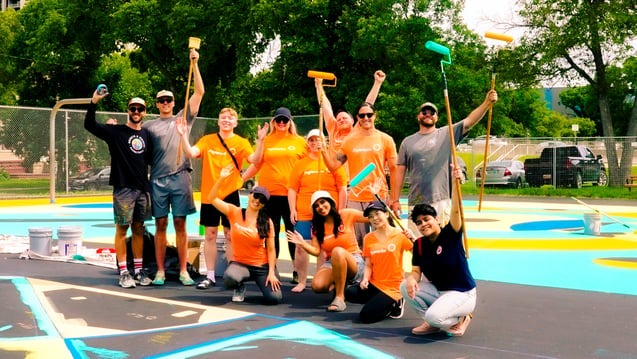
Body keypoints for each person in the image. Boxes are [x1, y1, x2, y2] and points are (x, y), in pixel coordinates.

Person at [177, 107, 268, 289]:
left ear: (235, 123)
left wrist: (261, 141)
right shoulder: (208, 140)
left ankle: (232, 273)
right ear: (218, 121)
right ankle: (210, 276)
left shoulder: (241, 142)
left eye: (230, 118)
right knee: (210, 235)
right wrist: (183, 135)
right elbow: (191, 153)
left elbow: (255, 159)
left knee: (230, 236)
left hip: (230, 195)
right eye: (223, 118)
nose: (226, 120)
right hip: (210, 196)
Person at [389, 90, 498, 227]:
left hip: (440, 200)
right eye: (424, 112)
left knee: (441, 243)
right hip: (416, 201)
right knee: (418, 244)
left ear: (436, 118)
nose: (428, 114)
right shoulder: (407, 142)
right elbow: (399, 171)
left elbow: (470, 121)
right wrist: (395, 199)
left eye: (432, 112)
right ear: (418, 116)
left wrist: (486, 103)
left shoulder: (447, 133)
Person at [143, 48, 205, 286]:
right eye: (161, 101)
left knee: (180, 223)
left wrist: (195, 63)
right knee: (160, 224)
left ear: (174, 103)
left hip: (180, 177)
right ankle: (159, 271)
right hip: (157, 180)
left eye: (169, 100)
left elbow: (200, 91)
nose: (166, 103)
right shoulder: (149, 126)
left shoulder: (183, 118)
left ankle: (182, 270)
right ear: (157, 104)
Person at [84, 90, 153, 288]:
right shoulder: (115, 132)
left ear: (144, 112)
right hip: (123, 188)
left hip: (142, 190)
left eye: (140, 109)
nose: (136, 111)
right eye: (133, 108)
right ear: (128, 110)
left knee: (139, 229)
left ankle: (138, 270)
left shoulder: (147, 134)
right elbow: (89, 125)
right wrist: (94, 101)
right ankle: (123, 271)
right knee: (122, 229)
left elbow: (149, 160)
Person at [400, 164, 476, 337]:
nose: (423, 224)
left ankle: (461, 318)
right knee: (405, 286)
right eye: (418, 223)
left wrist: (456, 183)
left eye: (426, 219)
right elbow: (415, 271)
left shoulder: (450, 234)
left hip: (462, 293)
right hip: (440, 292)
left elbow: (456, 210)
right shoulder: (419, 244)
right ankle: (432, 323)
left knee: (434, 316)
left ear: (436, 219)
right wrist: (412, 280)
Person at [322, 102, 398, 246]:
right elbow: (333, 166)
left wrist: (394, 198)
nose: (366, 118)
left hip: (378, 195)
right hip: (355, 198)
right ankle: (362, 268)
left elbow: (394, 170)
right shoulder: (349, 141)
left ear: (374, 116)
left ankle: (385, 268)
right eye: (362, 115)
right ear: (358, 118)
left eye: (369, 115)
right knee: (359, 242)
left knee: (385, 238)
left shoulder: (385, 139)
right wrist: (323, 150)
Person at [210, 165, 282, 305]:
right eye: (256, 196)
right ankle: (239, 286)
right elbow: (212, 198)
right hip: (240, 264)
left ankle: (263, 281)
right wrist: (221, 179)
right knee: (229, 278)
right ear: (250, 195)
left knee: (274, 298)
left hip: (261, 266)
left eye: (262, 200)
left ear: (263, 205)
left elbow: (271, 249)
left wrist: (271, 272)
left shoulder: (267, 222)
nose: (257, 201)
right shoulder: (234, 212)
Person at [286, 190, 368, 312]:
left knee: (338, 251)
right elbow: (316, 251)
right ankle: (340, 281)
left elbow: (369, 216)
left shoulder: (345, 214)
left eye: (323, 202)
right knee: (317, 286)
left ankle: (340, 297)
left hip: (354, 260)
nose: (320, 207)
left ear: (330, 202)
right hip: (332, 262)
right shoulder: (317, 227)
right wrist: (303, 244)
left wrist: (378, 201)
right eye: (316, 206)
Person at [287, 130, 347, 292]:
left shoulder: (332, 162)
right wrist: (292, 209)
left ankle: (323, 279)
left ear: (324, 141)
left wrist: (341, 209)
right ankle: (301, 281)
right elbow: (292, 189)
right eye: (311, 140)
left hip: (327, 212)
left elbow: (342, 188)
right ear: (307, 143)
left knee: (323, 248)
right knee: (301, 246)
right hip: (305, 212)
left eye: (318, 139)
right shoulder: (300, 164)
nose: (315, 143)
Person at [250, 107, 306, 281]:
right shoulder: (266, 140)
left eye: (285, 120)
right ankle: (271, 269)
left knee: (292, 234)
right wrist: (240, 179)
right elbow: (256, 163)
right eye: (278, 120)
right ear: (274, 122)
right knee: (270, 234)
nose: (282, 123)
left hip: (291, 196)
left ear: (290, 122)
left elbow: (306, 165)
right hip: (269, 195)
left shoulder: (299, 142)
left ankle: (297, 270)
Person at [344, 200, 413, 323]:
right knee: (350, 293)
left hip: (393, 286)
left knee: (366, 316)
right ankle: (379, 301)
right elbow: (368, 265)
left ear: (386, 214)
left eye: (377, 213)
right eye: (370, 216)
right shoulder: (368, 238)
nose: (374, 218)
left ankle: (396, 301)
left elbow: (418, 253)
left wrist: (413, 238)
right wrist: (365, 279)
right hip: (375, 283)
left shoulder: (400, 235)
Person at [315, 70, 386, 155]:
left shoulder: (357, 131)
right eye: (339, 119)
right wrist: (318, 85)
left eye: (345, 118)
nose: (341, 120)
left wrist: (377, 83)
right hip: (334, 167)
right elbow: (326, 108)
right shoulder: (333, 130)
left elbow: (368, 105)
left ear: (352, 121)